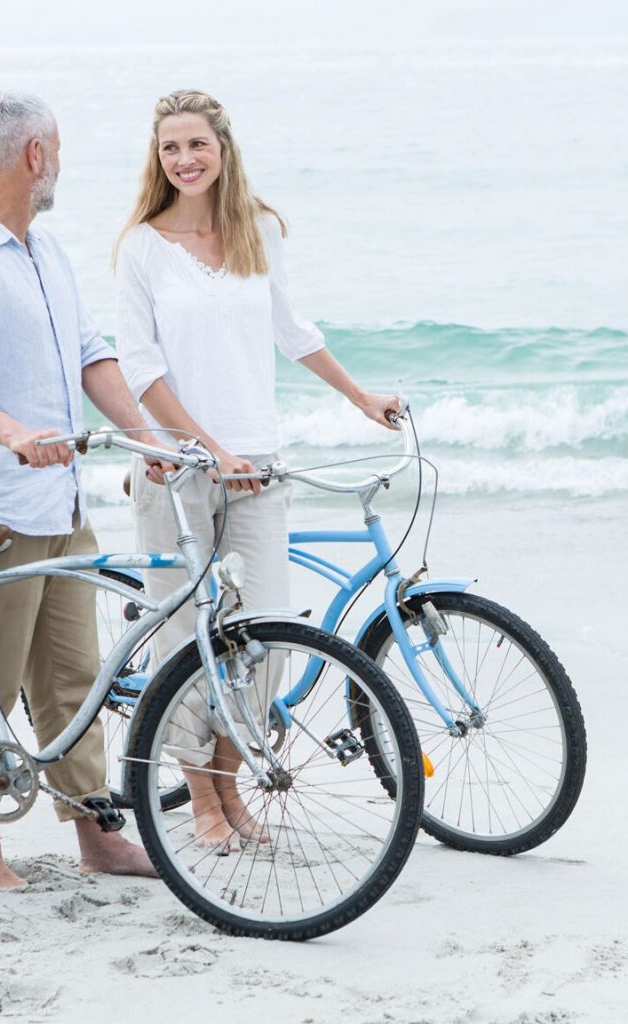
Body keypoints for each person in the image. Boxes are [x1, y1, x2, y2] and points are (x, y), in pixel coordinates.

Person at [114, 88, 400, 852]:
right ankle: (203, 801)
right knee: (186, 638)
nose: (184, 160)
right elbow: (139, 369)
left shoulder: (258, 230)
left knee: (262, 636)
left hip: (256, 461)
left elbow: (290, 329)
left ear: (223, 148)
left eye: (196, 145)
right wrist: (207, 448)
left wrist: (359, 395)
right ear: (158, 156)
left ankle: (232, 784)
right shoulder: (141, 246)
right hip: (176, 465)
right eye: (170, 148)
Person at [0, 91, 164, 889]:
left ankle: (94, 832)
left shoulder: (44, 250)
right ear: (33, 156)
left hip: (61, 505)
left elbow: (91, 355)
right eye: (58, 147)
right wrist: (14, 433)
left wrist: (149, 436)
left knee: (73, 677)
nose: (62, 162)